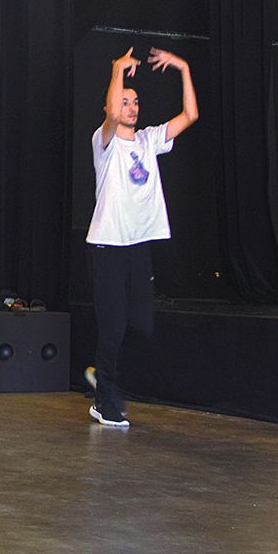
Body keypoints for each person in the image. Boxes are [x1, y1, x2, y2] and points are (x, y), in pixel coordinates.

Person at [84, 46, 199, 429]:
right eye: (124, 101)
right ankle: (104, 400)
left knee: (140, 325)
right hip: (107, 246)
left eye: (135, 102)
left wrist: (183, 67)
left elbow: (190, 115)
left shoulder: (149, 140)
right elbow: (113, 115)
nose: (131, 108)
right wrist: (117, 68)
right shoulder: (105, 142)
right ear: (109, 106)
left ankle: (102, 379)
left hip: (137, 247)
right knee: (113, 326)